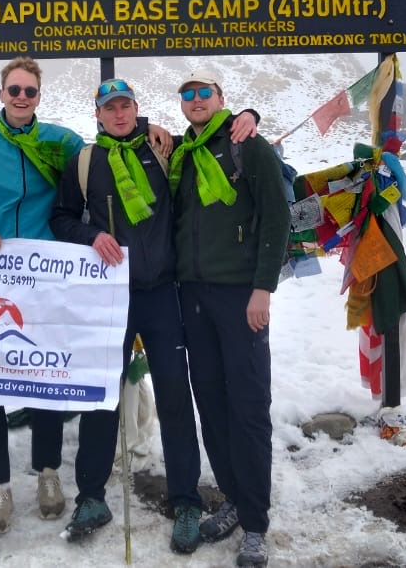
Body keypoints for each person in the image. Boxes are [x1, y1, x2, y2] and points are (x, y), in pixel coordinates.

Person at [50, 78, 260, 552]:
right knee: (101, 397)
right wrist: (89, 237)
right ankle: (91, 497)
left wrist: (250, 117)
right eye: (110, 108)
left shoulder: (165, 147)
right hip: (111, 296)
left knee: (175, 397)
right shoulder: (84, 162)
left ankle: (185, 501)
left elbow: (215, 138)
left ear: (136, 109)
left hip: (165, 294)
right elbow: (61, 217)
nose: (119, 114)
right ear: (98, 114)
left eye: (126, 106)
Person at [0, 56, 93, 535]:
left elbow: (102, 160)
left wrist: (154, 134)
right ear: (2, 93)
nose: (22, 98)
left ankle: (47, 474)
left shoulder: (60, 141)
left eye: (30, 91)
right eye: (15, 90)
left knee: (43, 375)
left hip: (45, 276)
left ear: (39, 97)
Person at [169, 70, 289, 568]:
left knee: (247, 405)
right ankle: (234, 500)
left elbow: (276, 216)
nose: (196, 100)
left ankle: (256, 522)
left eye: (205, 93)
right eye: (188, 94)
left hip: (241, 296)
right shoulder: (179, 153)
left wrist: (263, 287)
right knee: (212, 404)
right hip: (192, 295)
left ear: (221, 99)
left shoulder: (247, 144)